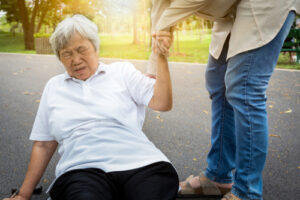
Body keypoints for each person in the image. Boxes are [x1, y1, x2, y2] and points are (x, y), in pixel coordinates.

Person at [3, 14, 178, 200]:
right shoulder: (54, 87)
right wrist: (23, 194)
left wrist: (161, 57)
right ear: (59, 58)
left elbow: (162, 103)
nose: (76, 60)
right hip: (82, 169)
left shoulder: (122, 72)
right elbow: (44, 145)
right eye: (66, 54)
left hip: (141, 163)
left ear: (95, 48)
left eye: (81, 50)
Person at [148, 1, 300, 200]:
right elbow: (159, 7)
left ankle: (247, 192)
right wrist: (154, 63)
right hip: (232, 7)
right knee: (217, 80)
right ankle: (218, 176)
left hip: (265, 4)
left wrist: (164, 25)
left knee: (244, 86)